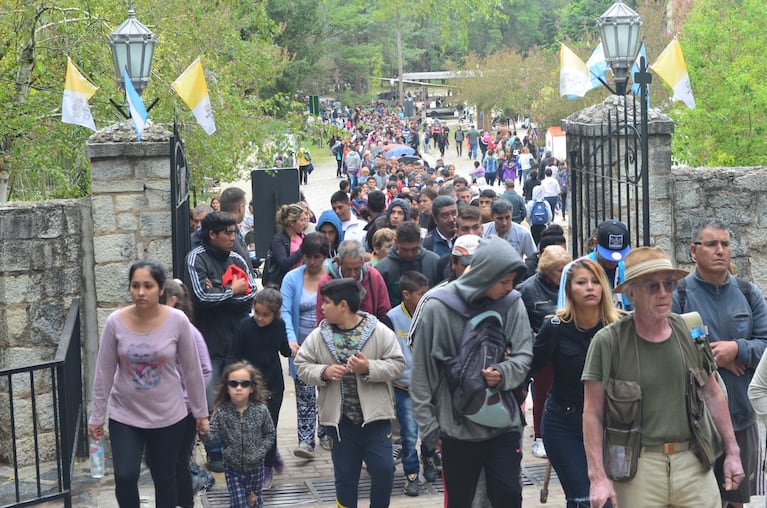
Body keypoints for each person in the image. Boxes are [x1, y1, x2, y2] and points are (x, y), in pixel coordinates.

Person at [582, 247, 742, 508]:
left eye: (668, 284)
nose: (663, 293)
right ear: (631, 293)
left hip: (693, 460)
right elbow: (592, 413)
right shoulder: (609, 342)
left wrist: (733, 451)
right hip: (638, 466)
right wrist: (597, 476)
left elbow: (713, 393)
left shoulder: (691, 330)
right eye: (652, 286)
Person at [410, 236, 532, 508]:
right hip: (456, 431)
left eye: (512, 280)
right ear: (484, 274)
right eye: (503, 281)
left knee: (509, 495)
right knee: (461, 501)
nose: (509, 287)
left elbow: (524, 354)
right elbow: (421, 375)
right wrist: (431, 431)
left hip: (505, 425)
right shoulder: (437, 307)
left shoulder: (512, 302)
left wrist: (503, 372)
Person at [89, 260, 209, 508]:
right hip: (125, 415)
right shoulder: (115, 322)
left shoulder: (177, 321)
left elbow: (192, 370)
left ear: (161, 289)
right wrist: (97, 416)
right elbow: (103, 372)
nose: (141, 292)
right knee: (125, 476)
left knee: (165, 477)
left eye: (147, 286)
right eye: (135, 286)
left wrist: (201, 413)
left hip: (168, 416)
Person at [672, 218, 767, 508]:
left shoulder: (749, 294)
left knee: (736, 499)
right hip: (693, 423)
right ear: (693, 250)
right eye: (711, 244)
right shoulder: (679, 296)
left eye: (725, 244)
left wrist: (737, 349)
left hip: (741, 417)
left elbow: (765, 343)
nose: (720, 250)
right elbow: (669, 352)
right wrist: (716, 361)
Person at [295, 278, 406, 508]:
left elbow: (397, 365)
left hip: (376, 420)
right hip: (340, 424)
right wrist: (323, 372)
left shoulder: (379, 332)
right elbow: (301, 365)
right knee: (345, 479)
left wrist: (369, 368)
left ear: (343, 305)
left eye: (326, 302)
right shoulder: (319, 335)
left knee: (384, 471)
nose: (322, 307)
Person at [531, 259, 621, 506]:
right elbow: (529, 366)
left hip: (610, 425)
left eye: (595, 282)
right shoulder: (555, 326)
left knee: (612, 499)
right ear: (569, 289)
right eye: (581, 282)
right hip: (564, 424)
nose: (590, 287)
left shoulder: (618, 326)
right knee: (583, 497)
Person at [184, 211, 256, 472]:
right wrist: (231, 289)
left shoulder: (237, 257)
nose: (233, 237)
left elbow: (251, 294)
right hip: (209, 341)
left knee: (240, 395)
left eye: (235, 231)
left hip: (237, 338)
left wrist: (218, 289)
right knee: (212, 396)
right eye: (228, 232)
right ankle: (215, 451)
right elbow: (200, 298)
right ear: (212, 234)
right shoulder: (195, 259)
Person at [230, 288, 292, 490]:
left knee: (269, 426)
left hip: (273, 383)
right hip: (249, 384)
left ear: (276, 313)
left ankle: (267, 467)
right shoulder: (245, 326)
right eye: (256, 312)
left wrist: (293, 349)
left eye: (265, 315)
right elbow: (234, 354)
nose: (259, 318)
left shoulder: (280, 325)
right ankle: (265, 459)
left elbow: (283, 348)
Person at [160, 279, 214, 507]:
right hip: (162, 409)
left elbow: (204, 370)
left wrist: (186, 399)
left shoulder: (189, 332)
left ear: (171, 301)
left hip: (183, 410)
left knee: (177, 463)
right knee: (165, 464)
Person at [517, 245, 572, 459]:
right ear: (548, 269)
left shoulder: (569, 286)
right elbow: (521, 323)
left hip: (567, 348)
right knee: (542, 394)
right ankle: (540, 437)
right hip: (543, 349)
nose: (564, 274)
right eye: (560, 270)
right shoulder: (527, 290)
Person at [382, 271, 434, 496]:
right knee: (409, 433)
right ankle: (411, 474)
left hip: (429, 386)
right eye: (421, 294)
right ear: (405, 294)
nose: (425, 298)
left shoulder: (432, 313)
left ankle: (429, 458)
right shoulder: (392, 318)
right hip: (404, 388)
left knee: (430, 429)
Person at [281, 233, 332, 458]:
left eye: (318, 257)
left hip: (328, 345)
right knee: (304, 394)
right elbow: (285, 311)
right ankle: (305, 440)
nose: (313, 262)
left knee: (327, 390)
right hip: (301, 347)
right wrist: (291, 340)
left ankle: (327, 431)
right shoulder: (292, 279)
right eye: (309, 257)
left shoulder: (331, 275)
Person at [200, 362, 275, 508]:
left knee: (254, 502)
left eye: (244, 384)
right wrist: (204, 432)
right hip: (232, 468)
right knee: (238, 503)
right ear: (227, 388)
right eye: (233, 384)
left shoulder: (261, 410)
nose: (239, 388)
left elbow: (270, 433)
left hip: (256, 467)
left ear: (252, 388)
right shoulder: (221, 412)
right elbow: (212, 437)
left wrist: (260, 451)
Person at [316, 239, 392, 323]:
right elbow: (322, 319)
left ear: (363, 262)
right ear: (338, 262)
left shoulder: (373, 277)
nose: (353, 274)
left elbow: (384, 312)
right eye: (348, 269)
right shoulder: (327, 282)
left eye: (357, 269)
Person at [376, 222, 441, 307]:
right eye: (404, 249)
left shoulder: (433, 262)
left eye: (414, 249)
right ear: (395, 242)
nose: (409, 254)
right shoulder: (383, 269)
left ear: (420, 241)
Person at [268, 203, 309, 286]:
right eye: (301, 220)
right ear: (292, 222)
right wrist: (302, 249)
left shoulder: (303, 236)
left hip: (302, 281)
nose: (304, 223)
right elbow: (283, 264)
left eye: (305, 220)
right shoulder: (279, 240)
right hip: (284, 282)